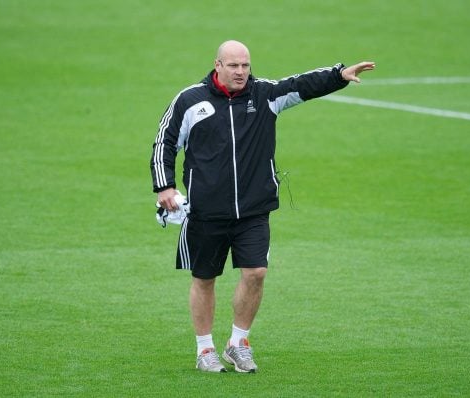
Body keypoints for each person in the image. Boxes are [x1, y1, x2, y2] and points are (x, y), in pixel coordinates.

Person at [150, 40, 375, 373]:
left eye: (245, 65)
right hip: (206, 211)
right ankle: (204, 349)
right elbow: (164, 142)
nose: (241, 72)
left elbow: (301, 85)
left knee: (256, 273)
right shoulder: (190, 100)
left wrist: (339, 75)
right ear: (218, 65)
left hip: (254, 210)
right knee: (204, 278)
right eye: (234, 66)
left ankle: (238, 343)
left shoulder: (264, 95)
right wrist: (165, 186)